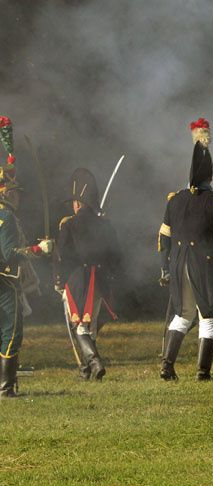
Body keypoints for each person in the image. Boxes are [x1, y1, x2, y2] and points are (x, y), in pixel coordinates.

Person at [157, 118, 213, 381]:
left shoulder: (174, 200)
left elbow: (164, 236)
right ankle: (202, 372)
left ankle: (167, 365)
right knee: (208, 316)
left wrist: (165, 265)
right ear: (209, 175)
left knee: (183, 313)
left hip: (178, 263)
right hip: (205, 265)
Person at [0, 117, 53, 397]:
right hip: (5, 283)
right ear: (7, 192)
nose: (18, 197)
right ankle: (6, 389)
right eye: (15, 192)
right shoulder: (6, 216)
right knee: (10, 334)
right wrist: (37, 250)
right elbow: (9, 254)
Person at [54, 168, 122, 380]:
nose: (73, 205)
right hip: (101, 280)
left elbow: (61, 256)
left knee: (80, 326)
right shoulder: (105, 224)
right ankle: (88, 371)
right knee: (89, 326)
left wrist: (58, 279)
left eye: (74, 201)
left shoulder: (69, 224)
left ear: (79, 203)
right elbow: (116, 255)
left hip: (78, 280)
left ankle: (94, 362)